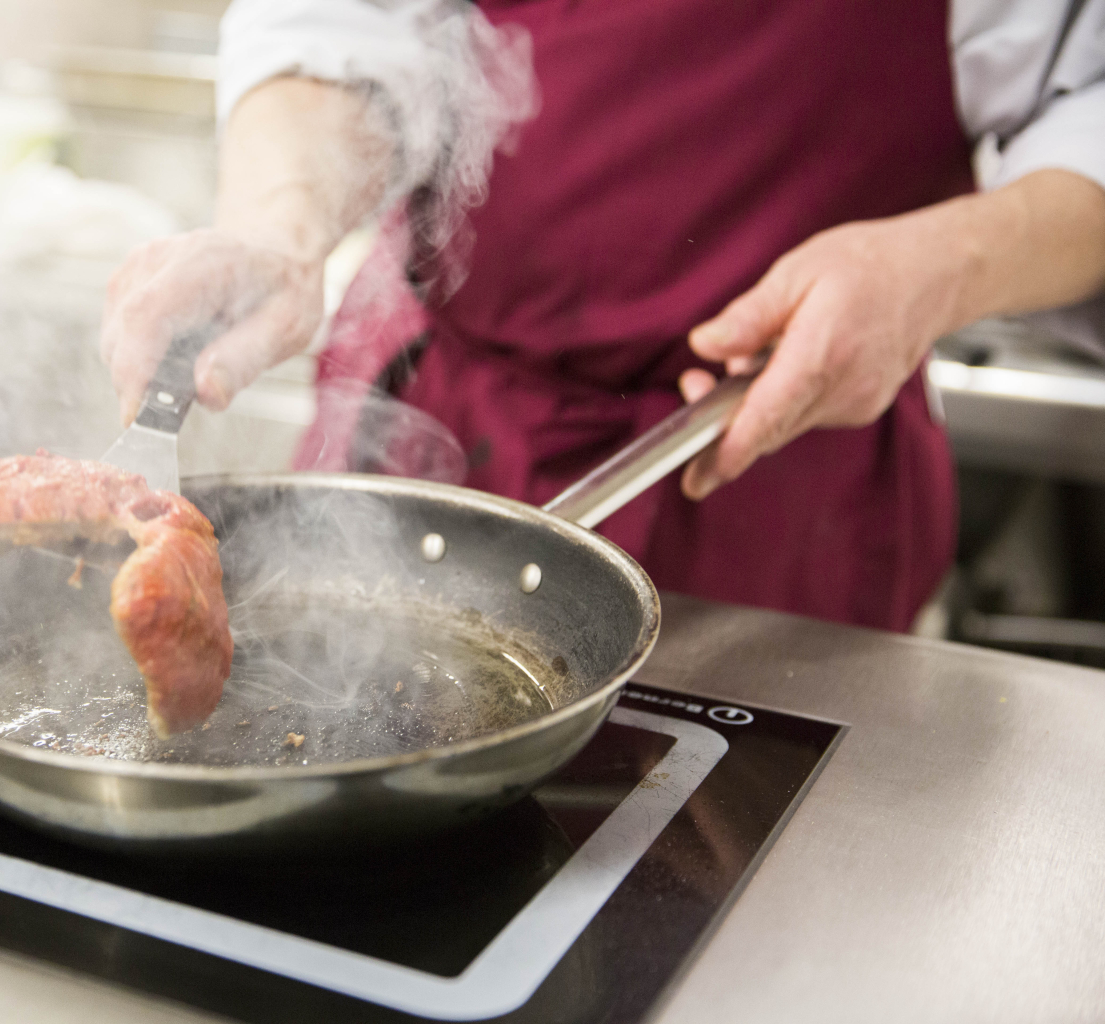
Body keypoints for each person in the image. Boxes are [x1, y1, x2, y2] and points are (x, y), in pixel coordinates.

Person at [100, 0, 1105, 631]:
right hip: (441, 430)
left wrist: (938, 266)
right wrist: (282, 225)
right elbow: (346, 24)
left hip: (776, 473)